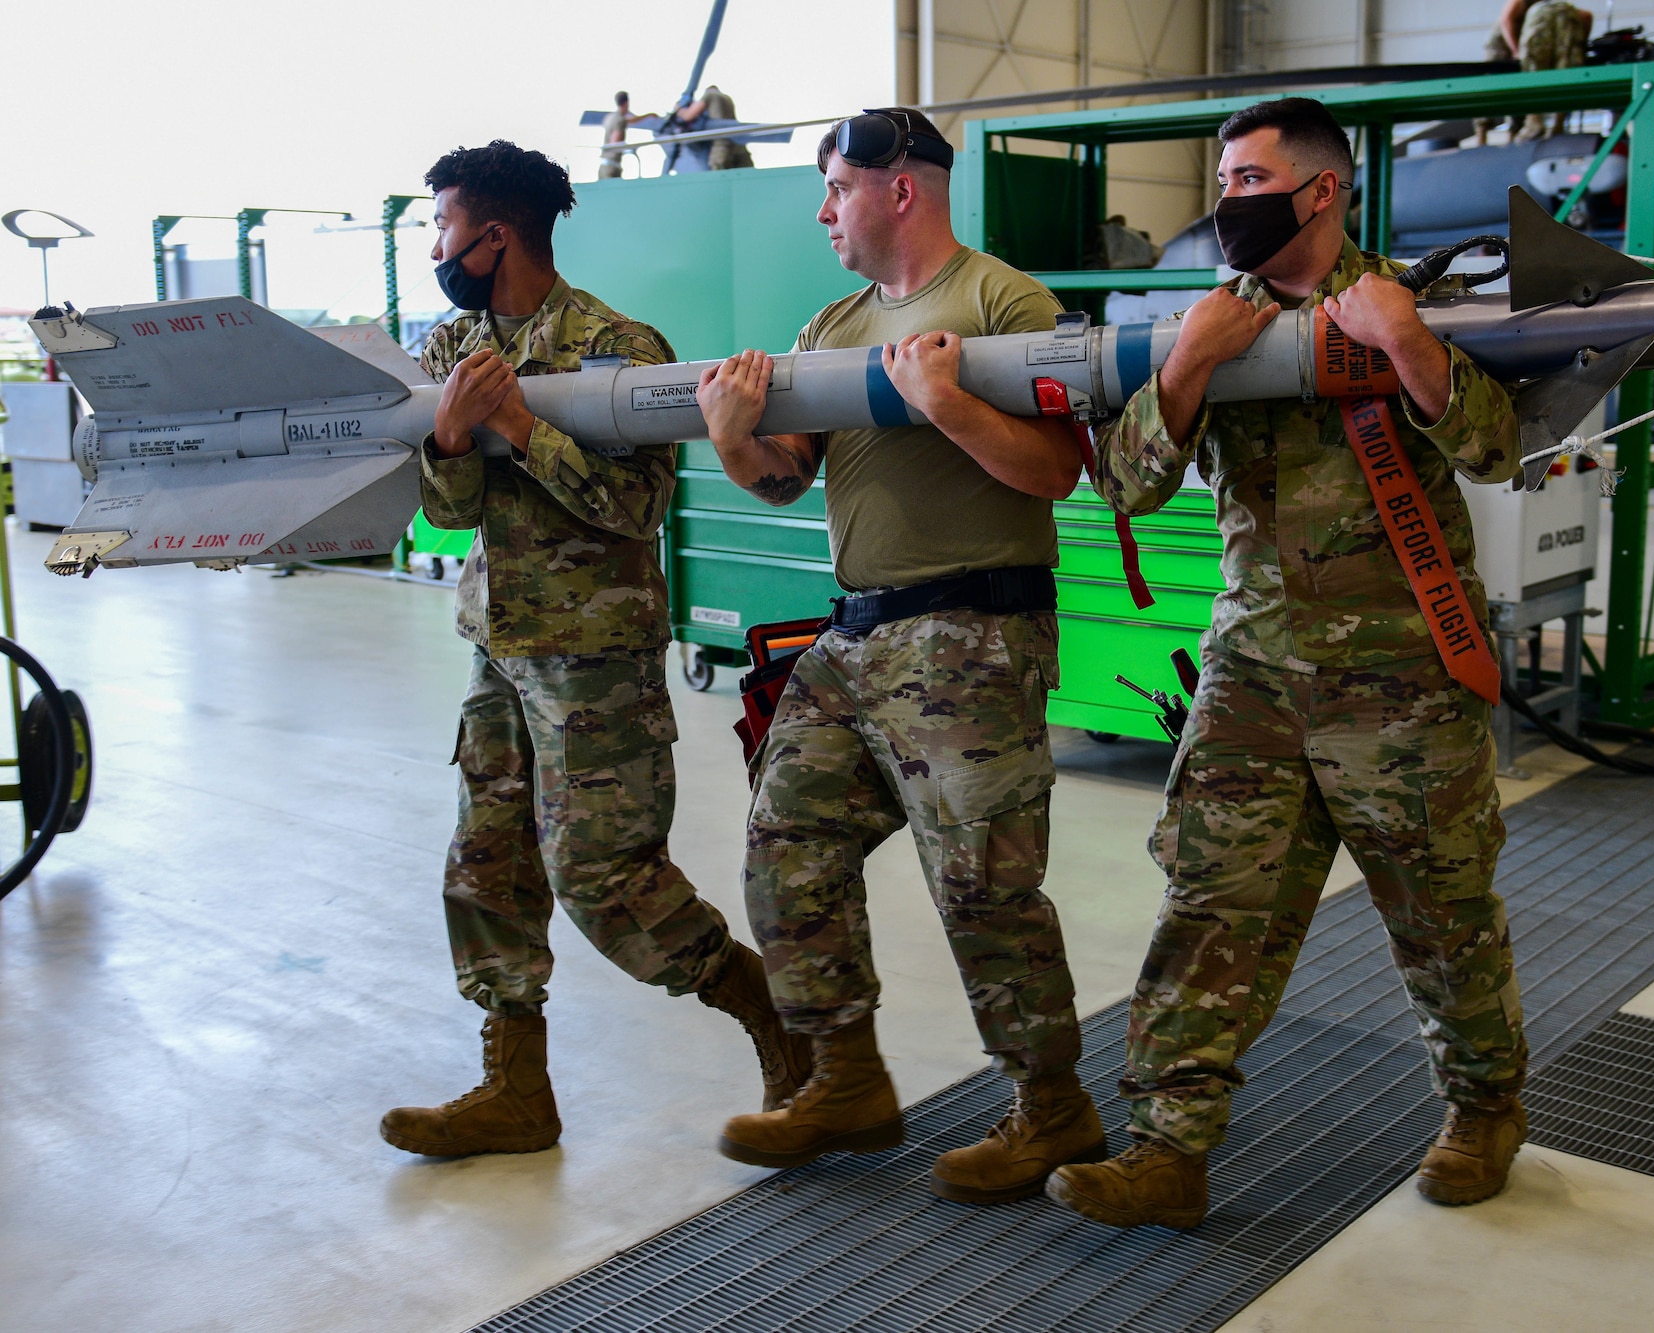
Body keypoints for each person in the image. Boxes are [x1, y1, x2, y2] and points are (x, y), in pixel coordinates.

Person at [1043, 98, 1530, 1230]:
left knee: (1439, 909)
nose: (1227, 203)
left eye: (1250, 180)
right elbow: (1122, 486)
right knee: (1210, 905)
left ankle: (1483, 1105)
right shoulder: (1214, 320)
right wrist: (1184, 371)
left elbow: (1499, 450)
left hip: (1401, 676)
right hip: (1254, 668)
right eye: (1222, 180)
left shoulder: (1418, 299)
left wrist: (1407, 342)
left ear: (1320, 191)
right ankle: (1167, 1147)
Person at [694, 107, 1102, 1205]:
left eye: (835, 189)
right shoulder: (831, 323)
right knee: (786, 847)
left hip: (970, 632)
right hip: (854, 632)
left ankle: (1052, 1105)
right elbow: (784, 474)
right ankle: (843, 1077)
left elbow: (1053, 473)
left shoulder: (998, 300)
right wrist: (735, 434)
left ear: (899, 188)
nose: (825, 212)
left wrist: (949, 403)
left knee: (983, 888)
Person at [378, 140, 808, 1158]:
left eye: (442, 226)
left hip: (594, 661)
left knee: (603, 878)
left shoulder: (615, 344)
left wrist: (524, 426)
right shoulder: (448, 349)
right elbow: (449, 516)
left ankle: (774, 1016)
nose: (434, 246)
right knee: (485, 865)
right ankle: (515, 1089)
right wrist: (446, 445)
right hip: (498, 648)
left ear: (493, 235)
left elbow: (638, 504)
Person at [1516, 0, 1594, 140]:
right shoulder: (1567, 8)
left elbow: (1506, 19)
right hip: (1567, 15)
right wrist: (1581, 45)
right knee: (1565, 72)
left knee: (1534, 68)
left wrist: (1514, 50)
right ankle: (1558, 124)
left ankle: (1534, 120)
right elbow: (1587, 16)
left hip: (1540, 16)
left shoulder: (1529, 7)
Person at [1473, 0, 1532, 145]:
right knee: (1489, 90)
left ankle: (1514, 135)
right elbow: (1507, 20)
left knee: (1518, 92)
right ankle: (1482, 134)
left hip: (1518, 50)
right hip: (1501, 49)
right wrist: (1515, 49)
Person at [670, 85, 754, 172]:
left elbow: (688, 116)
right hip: (738, 143)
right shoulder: (727, 98)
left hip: (721, 143)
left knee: (719, 174)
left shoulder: (709, 95)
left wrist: (679, 110)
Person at [598, 91, 654, 181]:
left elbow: (629, 120)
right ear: (626, 103)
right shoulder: (620, 120)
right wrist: (628, 148)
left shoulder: (610, 117)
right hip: (612, 167)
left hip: (604, 165)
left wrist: (648, 115)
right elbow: (615, 143)